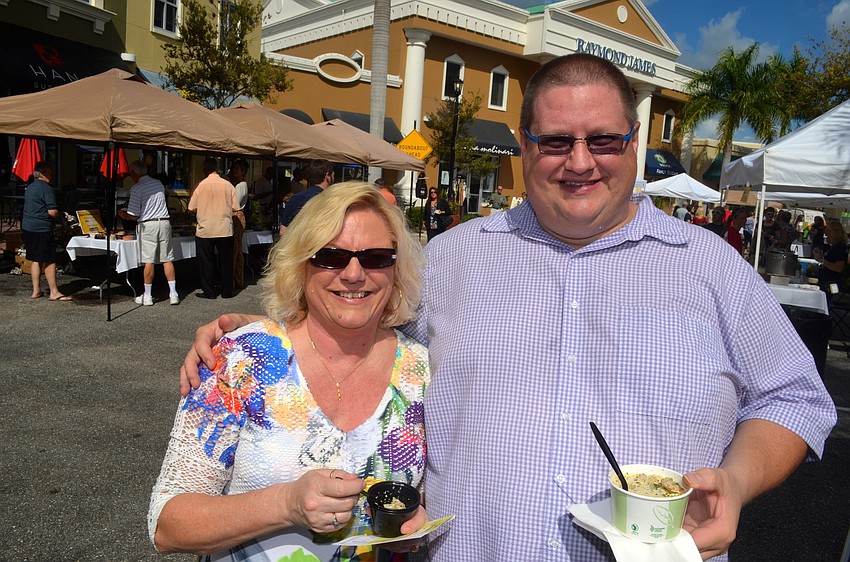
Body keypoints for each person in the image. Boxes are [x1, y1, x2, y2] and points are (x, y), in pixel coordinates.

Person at [181, 54, 836, 562]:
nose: (580, 161)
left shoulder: (711, 265)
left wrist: (737, 482)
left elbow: (794, 398)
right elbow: (352, 337)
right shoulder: (450, 259)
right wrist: (257, 338)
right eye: (556, 141)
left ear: (633, 143)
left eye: (603, 140)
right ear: (524, 147)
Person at [149, 182, 429, 561]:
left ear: (396, 269)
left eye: (377, 257)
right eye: (330, 256)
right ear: (300, 264)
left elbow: (429, 492)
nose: (353, 274)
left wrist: (413, 524)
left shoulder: (421, 370)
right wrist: (285, 504)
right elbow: (167, 525)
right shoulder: (241, 358)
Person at [117, 160, 179, 306]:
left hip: (148, 224)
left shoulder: (136, 188)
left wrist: (123, 214)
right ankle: (173, 294)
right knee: (167, 259)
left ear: (133, 173)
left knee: (149, 260)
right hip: (164, 222)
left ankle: (148, 295)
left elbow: (133, 214)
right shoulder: (158, 183)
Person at [188, 158, 239, 300]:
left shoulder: (200, 185)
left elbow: (191, 207)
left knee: (206, 261)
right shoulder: (228, 185)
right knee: (226, 261)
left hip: (206, 228)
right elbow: (236, 207)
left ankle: (209, 291)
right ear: (217, 169)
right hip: (224, 228)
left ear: (205, 170)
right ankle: (227, 291)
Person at [22, 161, 70, 301]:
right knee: (50, 259)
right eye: (51, 173)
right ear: (42, 174)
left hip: (28, 226)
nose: (53, 175)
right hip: (41, 227)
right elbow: (52, 212)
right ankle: (54, 291)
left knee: (36, 258)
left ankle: (36, 290)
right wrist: (61, 215)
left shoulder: (30, 187)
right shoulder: (46, 188)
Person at [279, 159, 334, 232]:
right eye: (333, 175)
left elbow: (283, 231)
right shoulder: (329, 201)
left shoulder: (295, 199)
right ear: (327, 176)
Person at [228, 159, 249, 291]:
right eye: (233, 169)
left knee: (236, 249)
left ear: (243, 171)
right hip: (235, 215)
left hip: (236, 215)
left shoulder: (241, 185)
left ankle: (236, 278)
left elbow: (234, 203)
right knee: (235, 248)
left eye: (237, 169)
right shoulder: (238, 184)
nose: (234, 172)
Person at [816, 220, 848, 301]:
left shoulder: (839, 248)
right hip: (825, 281)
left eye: (829, 231)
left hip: (831, 284)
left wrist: (822, 260)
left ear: (835, 233)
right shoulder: (832, 246)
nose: (826, 233)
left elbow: (839, 268)